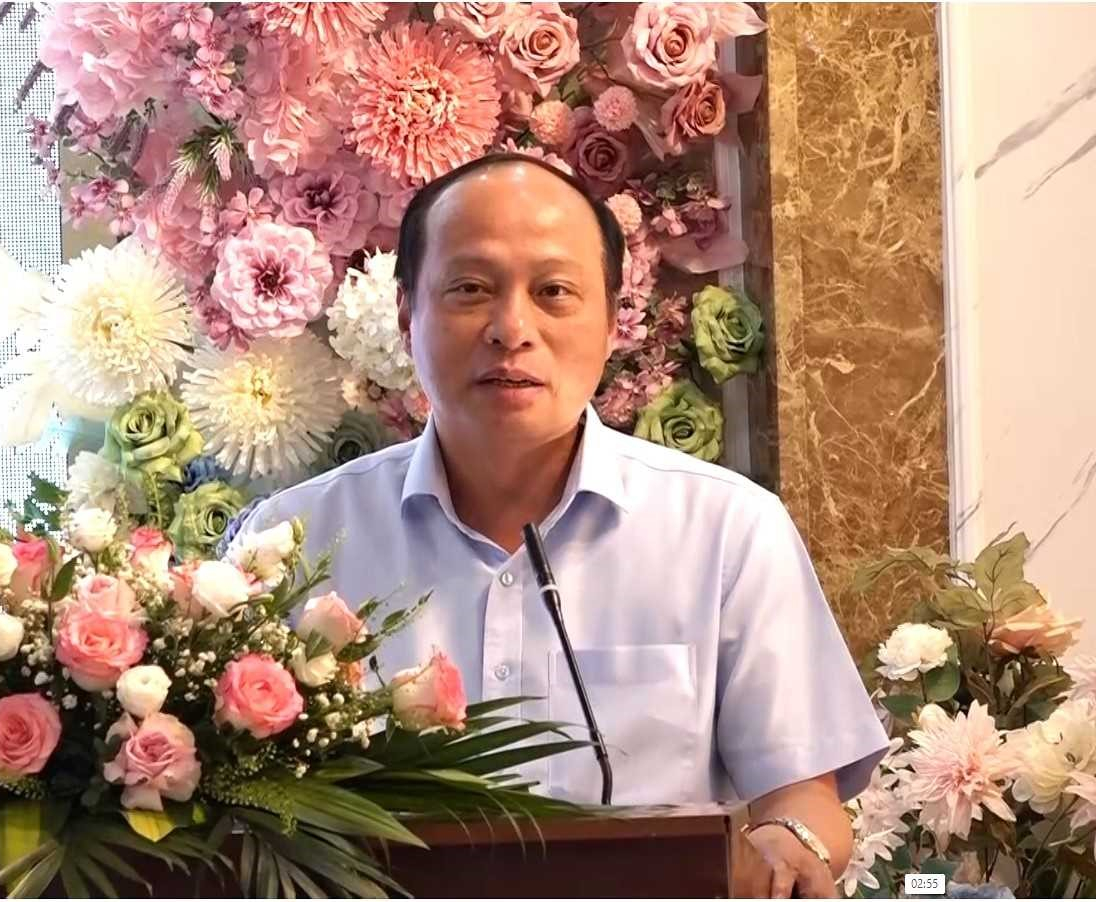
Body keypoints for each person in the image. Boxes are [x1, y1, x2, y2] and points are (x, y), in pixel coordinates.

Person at [237, 153, 888, 898]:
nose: (512, 329)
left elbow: (801, 793)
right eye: (470, 289)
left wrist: (789, 840)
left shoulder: (727, 531)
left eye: (553, 292)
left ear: (612, 322)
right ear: (406, 313)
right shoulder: (291, 542)